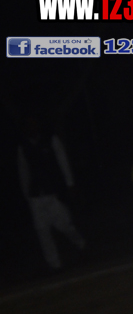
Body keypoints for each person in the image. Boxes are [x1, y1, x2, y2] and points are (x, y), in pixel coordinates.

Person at [17, 115, 86, 270]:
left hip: (53, 192)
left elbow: (62, 160)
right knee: (42, 230)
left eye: (34, 123)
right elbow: (23, 172)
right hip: (36, 196)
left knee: (64, 223)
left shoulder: (51, 140)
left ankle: (80, 243)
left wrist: (69, 183)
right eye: (28, 125)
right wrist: (27, 195)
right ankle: (54, 264)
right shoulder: (23, 147)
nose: (32, 127)